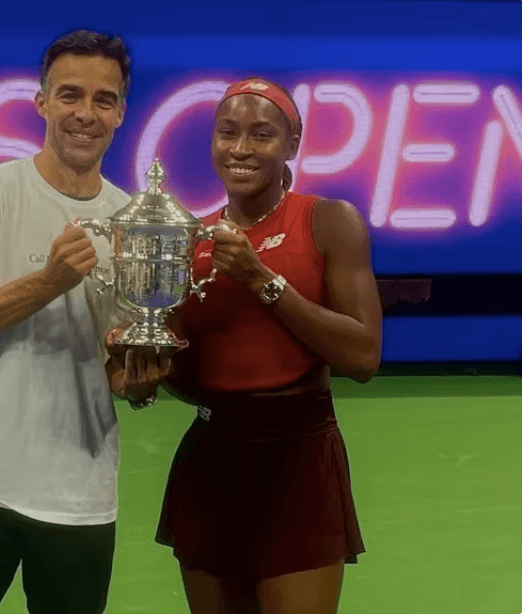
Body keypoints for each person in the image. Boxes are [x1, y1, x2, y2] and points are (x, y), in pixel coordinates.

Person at [0, 30, 166, 614]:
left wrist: (136, 383)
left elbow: (115, 362)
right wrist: (48, 282)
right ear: (42, 102)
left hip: (79, 496)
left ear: (122, 112)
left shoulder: (133, 220)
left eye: (104, 100)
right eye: (70, 95)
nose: (86, 113)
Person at [153, 77, 383, 614]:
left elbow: (363, 356)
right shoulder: (191, 238)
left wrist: (264, 282)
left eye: (262, 134)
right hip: (211, 460)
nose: (241, 148)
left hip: (299, 458)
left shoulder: (327, 220)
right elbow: (193, 376)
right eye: (227, 133)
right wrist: (150, 365)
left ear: (292, 145)